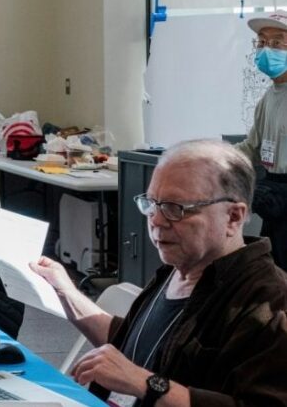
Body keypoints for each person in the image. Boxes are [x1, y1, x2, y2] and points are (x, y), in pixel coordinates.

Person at [31, 140, 287, 407]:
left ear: (233, 216)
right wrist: (66, 291)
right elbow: (133, 345)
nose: (156, 220)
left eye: (176, 208)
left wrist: (147, 384)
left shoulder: (269, 301)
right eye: (152, 203)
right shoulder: (176, 270)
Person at [235, 12, 287, 270]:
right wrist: (213, 159)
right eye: (262, 42)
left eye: (278, 43)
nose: (268, 50)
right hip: (275, 201)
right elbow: (251, 149)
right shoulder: (269, 97)